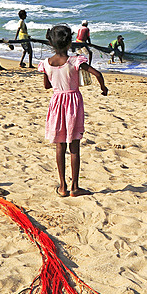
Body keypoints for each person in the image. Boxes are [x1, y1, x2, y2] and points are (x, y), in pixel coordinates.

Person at [40, 24, 108, 197]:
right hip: (73, 103)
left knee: (60, 145)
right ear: (69, 43)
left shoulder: (46, 64)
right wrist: (103, 88)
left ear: (51, 44)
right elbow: (98, 74)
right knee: (74, 144)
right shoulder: (75, 61)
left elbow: (47, 85)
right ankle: (75, 187)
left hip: (56, 102)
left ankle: (62, 186)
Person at [75, 20, 93, 85]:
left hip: (77, 41)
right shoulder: (87, 29)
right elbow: (87, 37)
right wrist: (89, 43)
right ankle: (89, 65)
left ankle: (76, 64)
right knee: (90, 53)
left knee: (78, 53)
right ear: (86, 24)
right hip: (82, 42)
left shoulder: (80, 28)